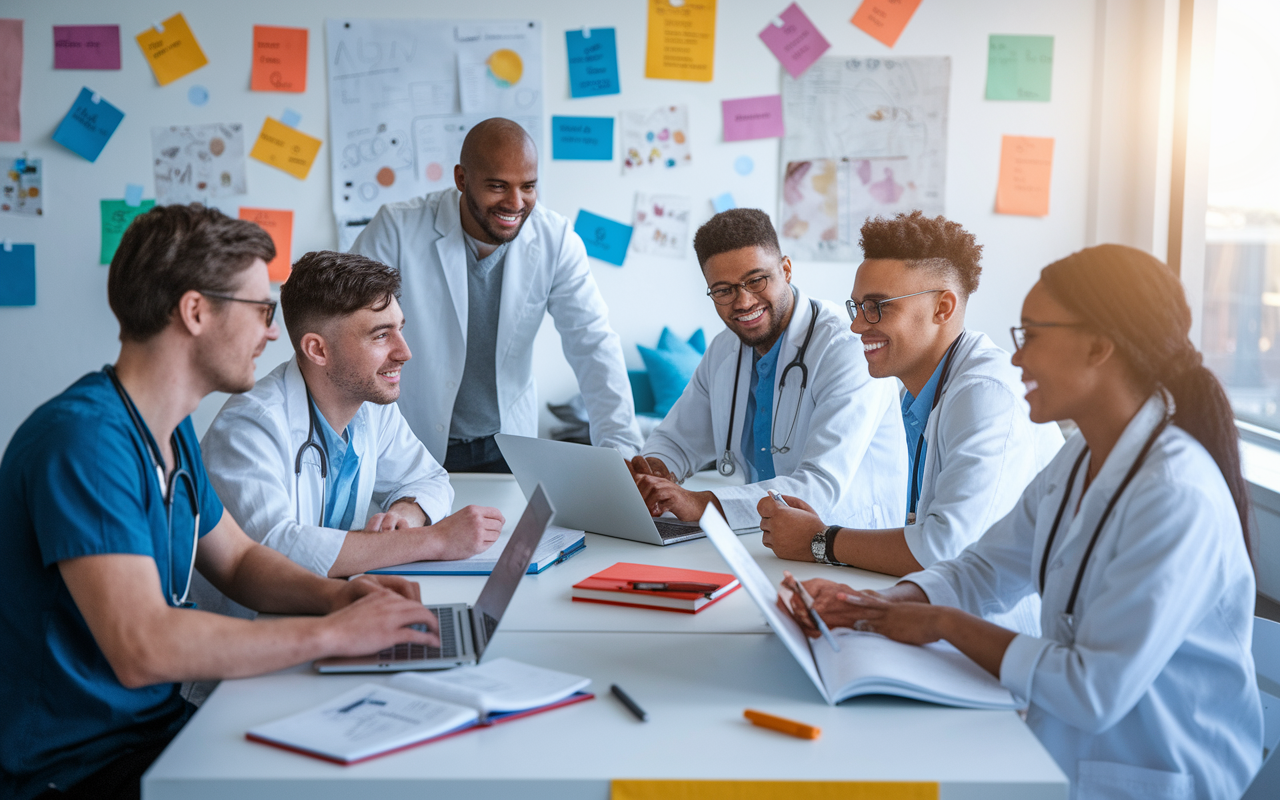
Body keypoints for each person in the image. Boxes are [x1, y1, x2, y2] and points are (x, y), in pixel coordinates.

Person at [782, 244, 1262, 799]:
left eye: (1031, 336)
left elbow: (1092, 690)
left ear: (1099, 347)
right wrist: (888, 604)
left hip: (1152, 776)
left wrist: (942, 623)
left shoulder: (1175, 495)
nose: (1016, 359)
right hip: (1058, 747)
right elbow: (985, 567)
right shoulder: (1083, 456)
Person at [0, 205, 440, 800]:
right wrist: (331, 635)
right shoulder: (85, 443)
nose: (269, 331)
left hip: (157, 727)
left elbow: (236, 561)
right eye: (261, 311)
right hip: (79, 763)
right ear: (196, 311)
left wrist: (342, 597)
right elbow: (141, 648)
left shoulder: (168, 431)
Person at [759, 212, 1061, 633]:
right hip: (936, 613)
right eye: (857, 306)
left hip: (998, 638)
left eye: (877, 307)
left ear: (943, 307)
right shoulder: (920, 393)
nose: (857, 325)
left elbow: (944, 546)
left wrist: (820, 541)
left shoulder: (985, 394)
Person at [199, 251, 503, 597]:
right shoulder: (250, 426)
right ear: (318, 350)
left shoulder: (370, 405)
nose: (405, 352)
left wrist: (408, 512)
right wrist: (433, 540)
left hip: (333, 607)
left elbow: (426, 478)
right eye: (380, 335)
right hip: (254, 628)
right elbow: (272, 550)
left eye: (400, 330)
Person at [351, 117, 642, 472]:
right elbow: (353, 332)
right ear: (462, 179)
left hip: (506, 445)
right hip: (410, 442)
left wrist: (622, 450)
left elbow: (593, 343)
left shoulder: (556, 238)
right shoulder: (397, 228)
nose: (515, 203)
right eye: (498, 186)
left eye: (529, 187)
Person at [629, 208, 906, 531]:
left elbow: (817, 487)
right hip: (763, 536)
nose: (743, 301)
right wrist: (655, 472)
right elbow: (677, 440)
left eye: (756, 280)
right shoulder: (724, 351)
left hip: (847, 544)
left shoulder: (846, 348)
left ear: (786, 269)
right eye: (723, 290)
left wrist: (700, 503)